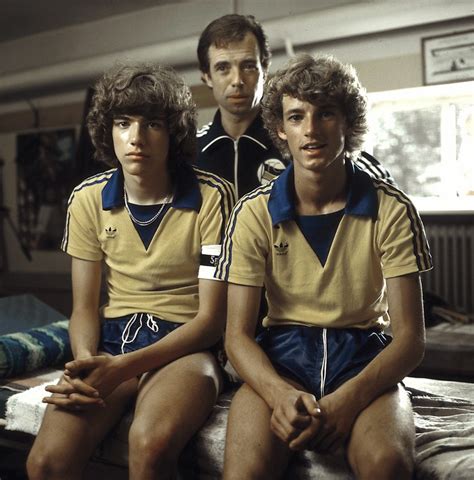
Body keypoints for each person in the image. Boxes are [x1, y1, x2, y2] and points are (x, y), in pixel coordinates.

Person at [217, 53, 432, 480]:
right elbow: (236, 336)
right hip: (281, 359)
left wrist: (349, 400)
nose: (311, 130)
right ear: (281, 129)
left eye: (326, 114)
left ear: (348, 123)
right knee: (244, 473)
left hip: (363, 359)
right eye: (296, 116)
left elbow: (410, 339)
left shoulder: (392, 208)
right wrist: (278, 394)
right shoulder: (253, 212)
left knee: (387, 465)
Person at [26, 62, 235, 480]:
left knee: (148, 446)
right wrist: (87, 365)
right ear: (109, 131)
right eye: (123, 123)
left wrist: (123, 368)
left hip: (186, 345)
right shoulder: (87, 199)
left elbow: (212, 320)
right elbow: (83, 308)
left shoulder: (213, 196)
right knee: (45, 464)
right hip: (112, 341)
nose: (136, 138)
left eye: (152, 124)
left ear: (172, 132)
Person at [196, 14, 395, 198]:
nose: (237, 80)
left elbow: (385, 190)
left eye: (248, 66)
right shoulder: (190, 150)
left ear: (264, 70)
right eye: (223, 68)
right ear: (207, 76)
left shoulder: (296, 132)